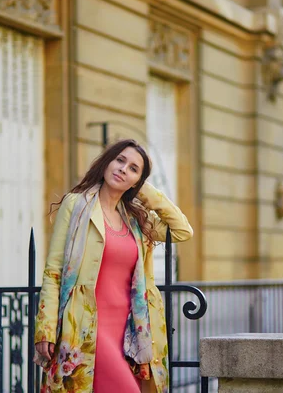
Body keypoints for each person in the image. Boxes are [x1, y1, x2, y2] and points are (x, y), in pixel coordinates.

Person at [33, 139, 193, 393]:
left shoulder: (136, 219)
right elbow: (54, 271)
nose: (122, 169)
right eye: (120, 160)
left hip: (131, 331)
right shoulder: (76, 205)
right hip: (87, 327)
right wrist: (46, 329)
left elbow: (182, 231)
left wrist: (144, 190)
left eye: (133, 169)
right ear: (107, 162)